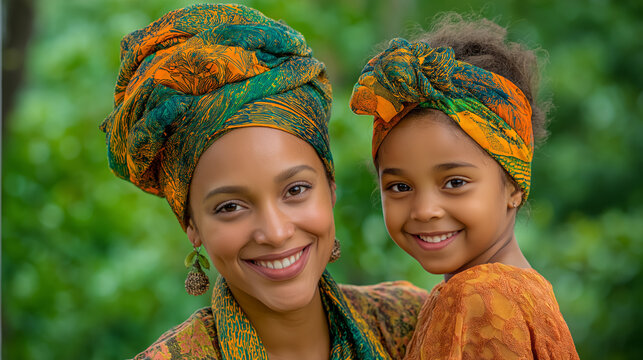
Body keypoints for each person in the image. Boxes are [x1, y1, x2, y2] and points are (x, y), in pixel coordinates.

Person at [100, 4, 427, 360]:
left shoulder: (411, 324)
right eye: (230, 207)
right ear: (191, 225)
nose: (274, 232)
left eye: (296, 190)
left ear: (330, 187)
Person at [350, 14, 579, 359]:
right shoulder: (513, 292)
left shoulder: (481, 299)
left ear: (514, 185)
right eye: (399, 187)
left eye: (455, 182)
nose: (425, 210)